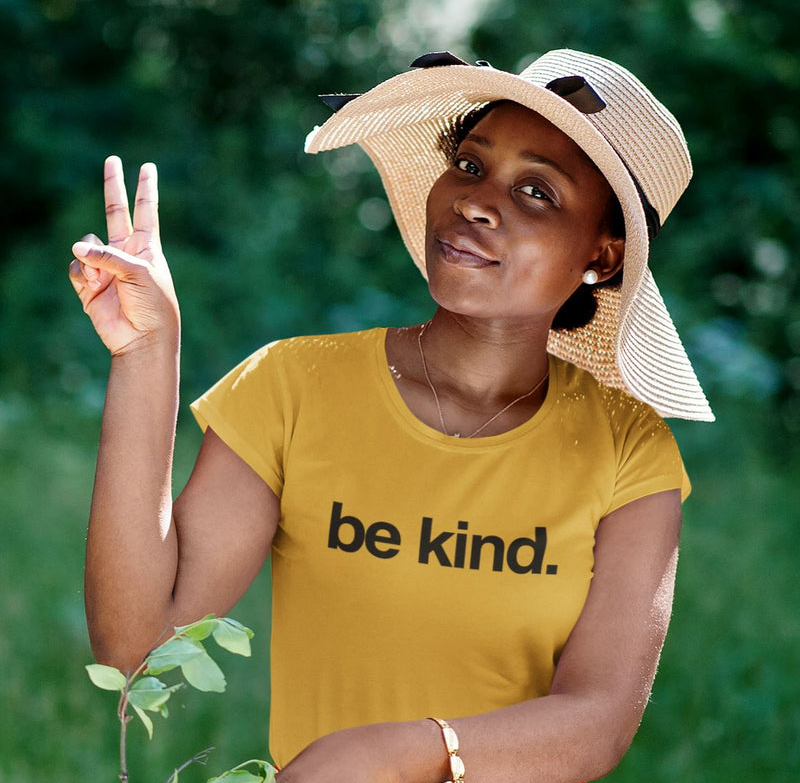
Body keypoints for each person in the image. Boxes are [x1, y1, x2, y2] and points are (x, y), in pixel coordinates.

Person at [69, 48, 713, 782]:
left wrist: (401, 751)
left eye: (537, 192)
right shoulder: (295, 386)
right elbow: (138, 646)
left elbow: (597, 720)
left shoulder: (630, 450)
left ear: (602, 253)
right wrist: (146, 354)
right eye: (470, 166)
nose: (477, 200)